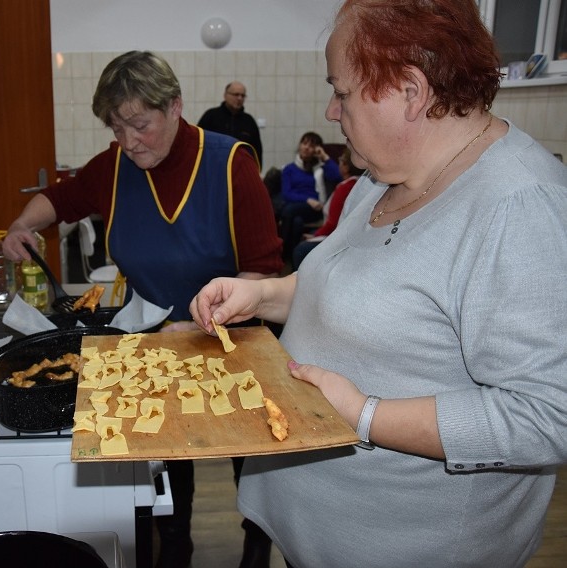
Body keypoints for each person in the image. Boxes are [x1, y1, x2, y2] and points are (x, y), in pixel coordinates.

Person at [189, 1, 567, 567]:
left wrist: (364, 414)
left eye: (341, 92)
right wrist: (264, 295)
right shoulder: (381, 175)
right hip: (314, 528)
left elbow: (547, 416)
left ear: (410, 91)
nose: (331, 109)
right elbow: (349, 291)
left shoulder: (520, 207)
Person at [1, 51, 283, 568]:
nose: (130, 141)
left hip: (232, 347)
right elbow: (61, 200)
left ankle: (256, 548)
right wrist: (22, 223)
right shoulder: (113, 169)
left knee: (253, 475)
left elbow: (262, 269)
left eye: (140, 125)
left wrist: (210, 315)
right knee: (166, 474)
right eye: (117, 128)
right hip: (152, 345)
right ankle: (174, 548)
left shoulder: (229, 164)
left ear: (175, 107)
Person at [271, 132, 341, 265]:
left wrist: (324, 157)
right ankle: (293, 259)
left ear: (317, 149)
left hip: (316, 209)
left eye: (311, 145)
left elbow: (338, 176)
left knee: (288, 211)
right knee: (296, 221)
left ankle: (282, 254)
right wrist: (307, 200)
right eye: (304, 143)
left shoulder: (321, 168)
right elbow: (287, 193)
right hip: (297, 206)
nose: (306, 147)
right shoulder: (289, 169)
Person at [290, 147, 364, 270]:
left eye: (340, 160)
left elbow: (332, 224)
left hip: (335, 235)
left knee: (300, 250)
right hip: (343, 234)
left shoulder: (344, 188)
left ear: (345, 167)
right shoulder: (359, 183)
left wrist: (315, 236)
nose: (338, 163)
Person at [198, 81, 263, 168]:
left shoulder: (249, 121)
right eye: (236, 94)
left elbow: (257, 150)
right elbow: (198, 143)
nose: (239, 98)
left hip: (241, 170)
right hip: (213, 168)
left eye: (243, 96)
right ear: (225, 95)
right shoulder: (211, 116)